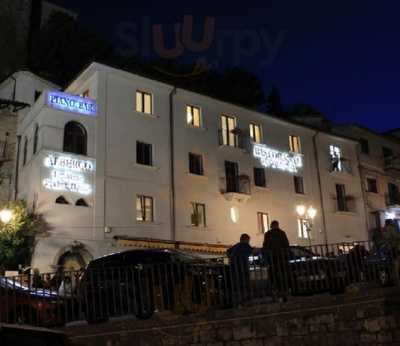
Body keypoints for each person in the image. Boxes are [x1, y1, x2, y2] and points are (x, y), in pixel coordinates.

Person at [262, 221, 290, 300]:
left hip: (272, 257)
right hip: (282, 257)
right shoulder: (282, 233)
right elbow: (286, 244)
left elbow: (265, 246)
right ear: (277, 225)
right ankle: (284, 291)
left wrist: (265, 258)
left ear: (271, 226)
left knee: (273, 275)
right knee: (283, 274)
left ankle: (275, 291)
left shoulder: (268, 234)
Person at [227, 234, 254, 304]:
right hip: (242, 267)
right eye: (248, 240)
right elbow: (252, 251)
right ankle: (244, 299)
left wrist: (231, 258)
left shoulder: (236, 245)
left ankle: (237, 300)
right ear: (245, 239)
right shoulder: (244, 245)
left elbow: (228, 251)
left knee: (236, 284)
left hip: (234, 268)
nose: (248, 242)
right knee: (244, 283)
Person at [383, 219, 400, 285]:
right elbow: (396, 236)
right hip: (394, 247)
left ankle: (394, 279)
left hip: (389, 248)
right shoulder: (391, 228)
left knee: (393, 265)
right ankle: (397, 279)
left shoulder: (384, 229)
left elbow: (386, 238)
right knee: (396, 264)